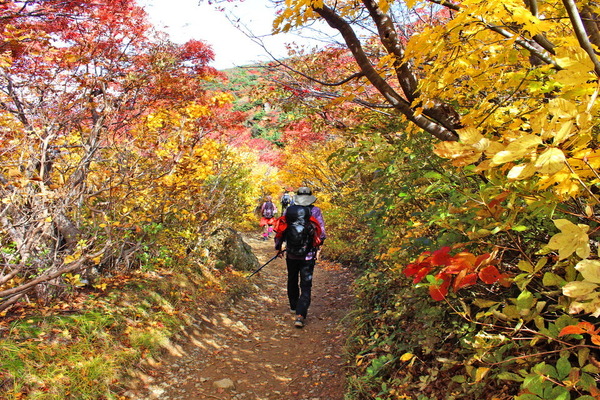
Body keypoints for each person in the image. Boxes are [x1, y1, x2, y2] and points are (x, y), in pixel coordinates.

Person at [274, 187, 326, 328]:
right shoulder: (315, 211)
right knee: (306, 283)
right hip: (308, 255)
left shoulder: (289, 210)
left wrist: (278, 247)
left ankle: (293, 306)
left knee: (292, 278)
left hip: (291, 252)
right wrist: (318, 248)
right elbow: (321, 234)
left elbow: (280, 229)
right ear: (310, 197)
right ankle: (300, 314)